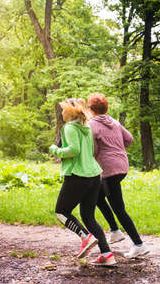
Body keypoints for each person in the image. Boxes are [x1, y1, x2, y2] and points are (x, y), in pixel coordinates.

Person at [49, 98, 116, 266]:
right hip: (94, 176)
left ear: (71, 112)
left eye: (63, 110)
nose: (62, 113)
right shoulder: (86, 127)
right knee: (88, 217)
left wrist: (56, 150)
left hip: (78, 175)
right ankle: (107, 255)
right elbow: (90, 150)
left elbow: (74, 150)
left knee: (61, 212)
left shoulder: (69, 127)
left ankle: (85, 237)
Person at [87, 93, 149, 259]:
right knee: (98, 196)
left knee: (119, 209)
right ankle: (114, 230)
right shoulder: (114, 122)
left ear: (91, 109)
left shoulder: (92, 125)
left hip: (109, 170)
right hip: (122, 166)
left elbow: (93, 151)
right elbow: (129, 139)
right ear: (106, 108)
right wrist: (117, 149)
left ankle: (138, 244)